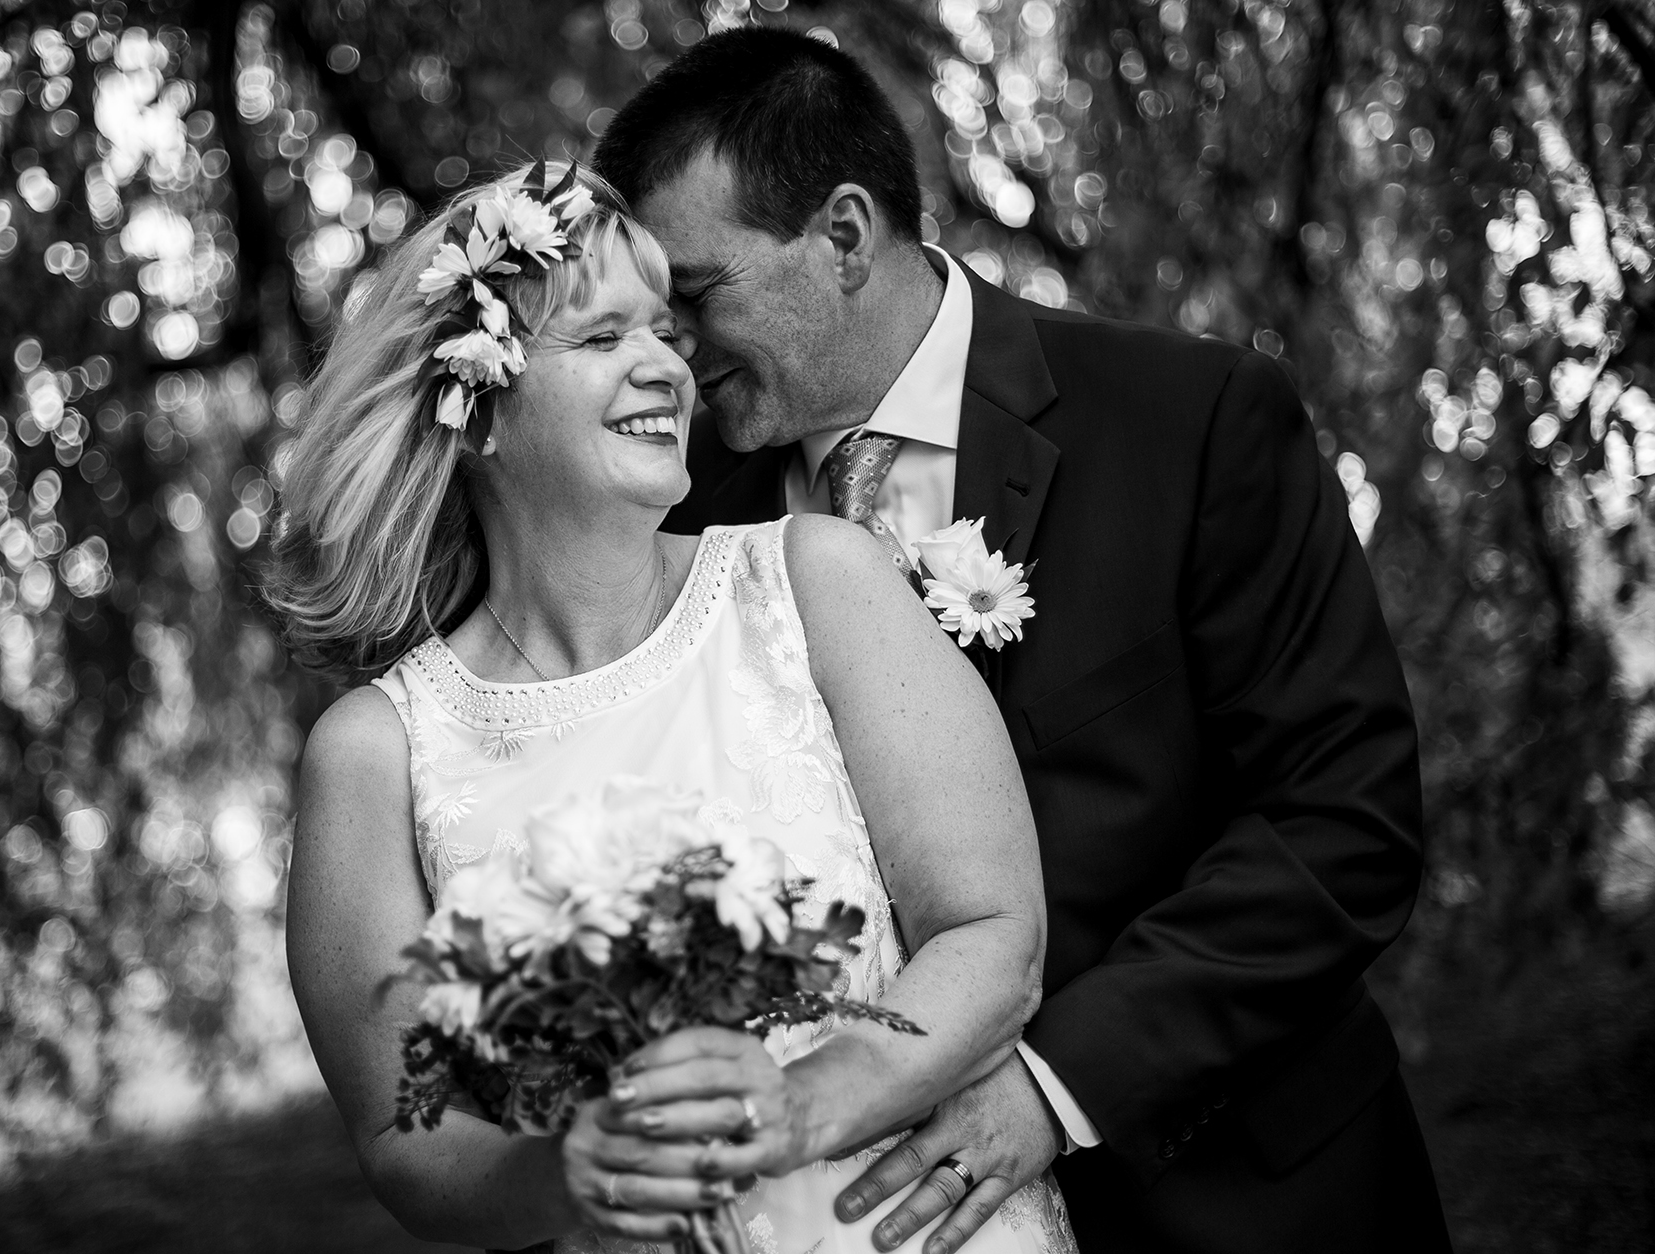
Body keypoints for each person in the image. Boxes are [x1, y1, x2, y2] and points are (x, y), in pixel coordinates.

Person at [593, 27, 1450, 1254]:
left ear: (842, 235)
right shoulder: (684, 527)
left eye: (693, 293)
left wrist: (1054, 1085)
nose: (666, 348)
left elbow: (1341, 824)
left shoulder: (1186, 422)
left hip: (1244, 1195)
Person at [267, 162, 1079, 1253]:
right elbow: (402, 1138)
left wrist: (805, 1102)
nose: (665, 366)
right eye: (603, 340)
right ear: (477, 409)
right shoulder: (374, 753)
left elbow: (994, 936)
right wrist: (563, 1174)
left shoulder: (817, 582)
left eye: (663, 331)